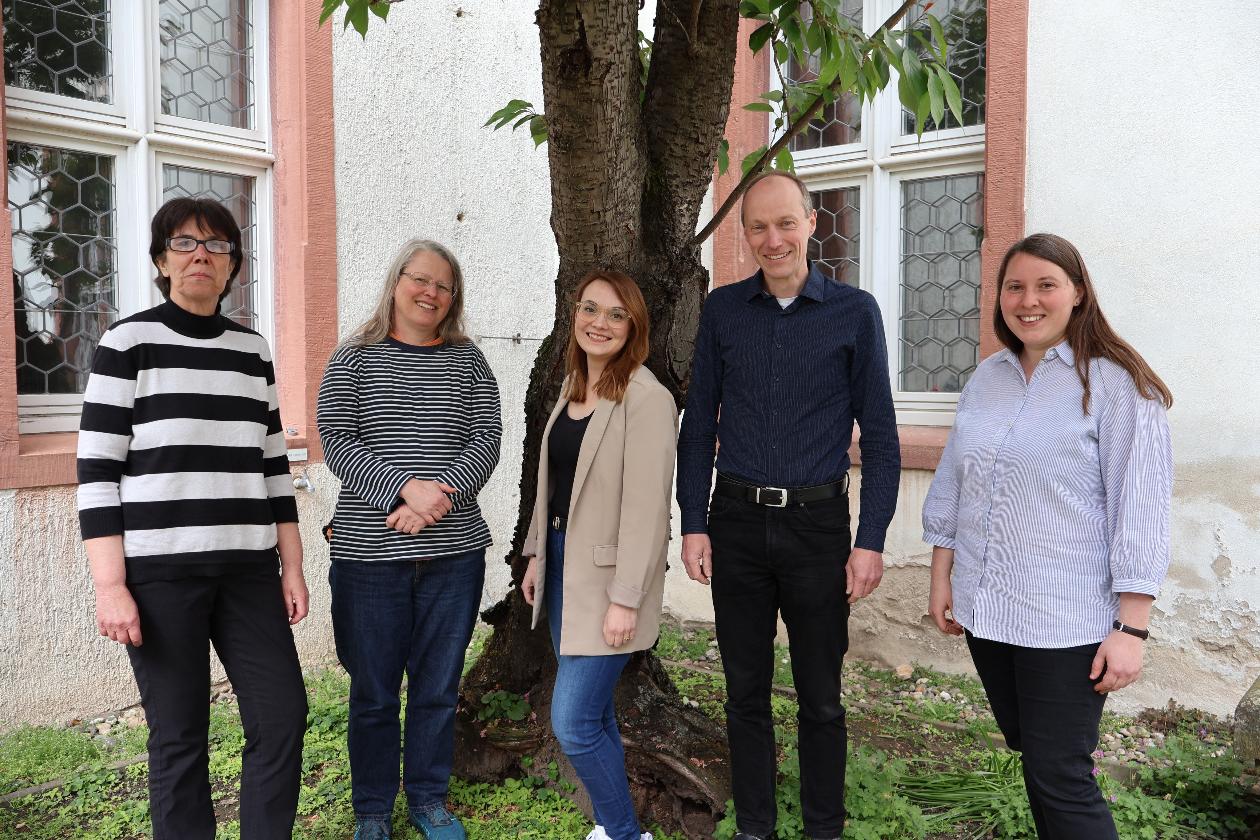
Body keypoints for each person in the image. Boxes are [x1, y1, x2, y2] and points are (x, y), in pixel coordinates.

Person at [923, 233, 1173, 839]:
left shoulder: (1118, 386)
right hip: (989, 612)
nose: (1027, 301)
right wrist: (941, 576)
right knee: (1036, 761)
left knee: (1060, 772)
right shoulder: (989, 378)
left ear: (1078, 294)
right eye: (1015, 286)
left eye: (1045, 285)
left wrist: (1131, 628)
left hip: (1065, 622)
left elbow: (1139, 512)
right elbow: (956, 478)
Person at [676, 171, 901, 840]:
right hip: (737, 522)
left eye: (785, 223)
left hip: (818, 528)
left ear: (811, 223)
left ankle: (823, 828)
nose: (772, 239)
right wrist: (692, 522)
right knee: (744, 694)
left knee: (821, 699)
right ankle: (756, 828)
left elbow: (883, 439)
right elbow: (698, 429)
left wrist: (871, 539)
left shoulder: (854, 312)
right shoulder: (723, 311)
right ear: (744, 236)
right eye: (757, 227)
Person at [79, 197, 309, 840]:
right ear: (161, 260)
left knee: (282, 716)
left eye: (215, 244)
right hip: (160, 577)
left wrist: (291, 567)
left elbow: (272, 469)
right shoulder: (128, 344)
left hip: (248, 573)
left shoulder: (252, 352)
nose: (200, 253)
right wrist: (110, 585)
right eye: (183, 243)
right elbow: (96, 471)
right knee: (180, 738)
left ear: (232, 264)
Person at [316, 238, 502, 840]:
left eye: (443, 286)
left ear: (454, 298)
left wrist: (437, 498)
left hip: (452, 557)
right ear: (396, 282)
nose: (430, 293)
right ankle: (372, 810)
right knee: (372, 692)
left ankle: (427, 800)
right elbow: (337, 440)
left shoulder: (468, 361)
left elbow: (487, 440)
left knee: (437, 689)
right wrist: (402, 490)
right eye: (419, 279)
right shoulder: (352, 359)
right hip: (369, 558)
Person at [519, 269, 676, 840]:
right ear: (575, 314)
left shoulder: (646, 397)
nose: (600, 323)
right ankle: (617, 828)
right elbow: (553, 484)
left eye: (616, 314)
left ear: (633, 325)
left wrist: (626, 598)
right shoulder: (571, 390)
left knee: (574, 722)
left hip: (611, 580)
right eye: (591, 309)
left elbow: (647, 510)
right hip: (564, 569)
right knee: (594, 715)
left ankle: (624, 834)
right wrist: (538, 555)